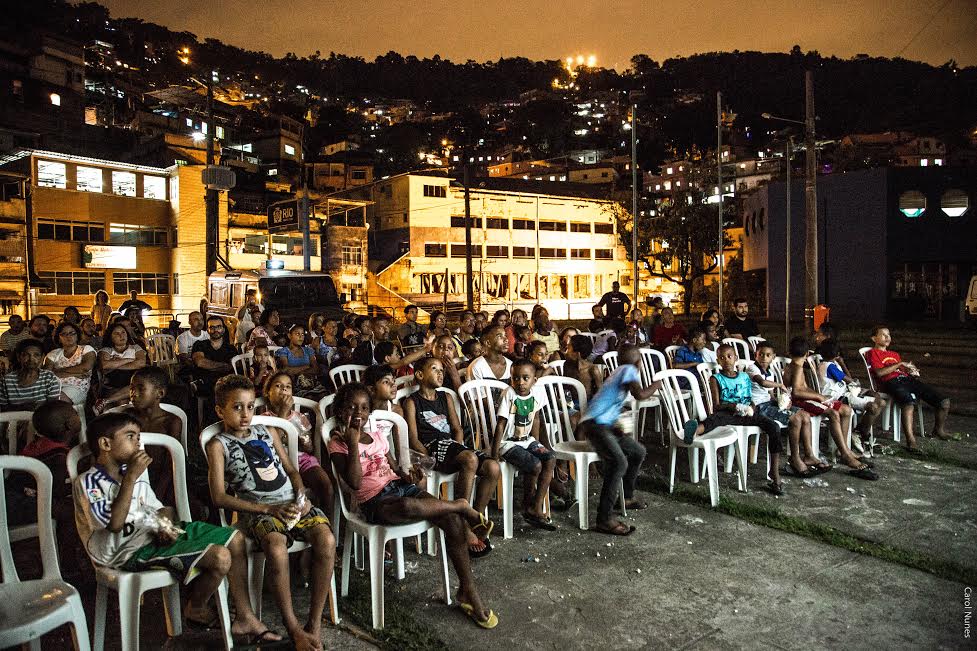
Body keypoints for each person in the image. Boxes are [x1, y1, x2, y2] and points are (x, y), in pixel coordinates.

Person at [76, 412, 279, 642]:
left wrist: (165, 524)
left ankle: (245, 617)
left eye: (139, 437)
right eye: (131, 436)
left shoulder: (133, 473)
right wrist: (131, 478)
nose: (138, 443)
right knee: (220, 557)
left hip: (152, 536)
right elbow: (115, 525)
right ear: (105, 443)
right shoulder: (89, 482)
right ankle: (196, 607)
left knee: (234, 538)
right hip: (126, 551)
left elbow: (161, 509)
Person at [328, 382, 498, 628]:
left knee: (451, 520)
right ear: (340, 411)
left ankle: (468, 591)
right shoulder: (338, 442)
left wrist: (409, 475)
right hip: (377, 501)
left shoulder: (376, 436)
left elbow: (395, 468)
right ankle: (461, 504)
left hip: (400, 487)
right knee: (409, 506)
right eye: (352, 407)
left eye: (364, 408)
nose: (358, 413)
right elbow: (354, 482)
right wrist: (353, 443)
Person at [206, 376, 334, 650]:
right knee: (276, 548)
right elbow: (218, 497)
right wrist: (267, 508)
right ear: (220, 411)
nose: (245, 415)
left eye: (250, 407)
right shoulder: (218, 445)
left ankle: (314, 624)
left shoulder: (267, 432)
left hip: (291, 503)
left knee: (327, 540)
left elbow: (292, 472)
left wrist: (300, 497)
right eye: (237, 407)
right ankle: (293, 627)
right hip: (259, 511)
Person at [403, 357, 501, 547]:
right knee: (470, 459)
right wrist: (428, 458)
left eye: (442, 370)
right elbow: (413, 438)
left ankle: (475, 519)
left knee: (492, 467)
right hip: (433, 448)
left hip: (452, 447)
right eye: (434, 369)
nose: (441, 373)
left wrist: (458, 450)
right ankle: (462, 523)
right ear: (420, 375)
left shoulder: (446, 397)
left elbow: (457, 429)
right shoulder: (412, 402)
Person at [683, 344, 785, 495]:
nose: (726, 360)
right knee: (714, 419)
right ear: (718, 361)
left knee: (773, 427)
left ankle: (774, 473)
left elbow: (750, 398)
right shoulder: (716, 378)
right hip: (728, 413)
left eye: (730, 356)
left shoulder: (744, 377)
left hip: (747, 414)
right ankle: (692, 432)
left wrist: (750, 408)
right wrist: (733, 406)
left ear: (736, 358)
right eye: (722, 357)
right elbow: (716, 406)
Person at [574, 345, 654, 535]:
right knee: (618, 463)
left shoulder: (619, 371)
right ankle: (604, 518)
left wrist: (616, 424)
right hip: (595, 425)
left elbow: (609, 401)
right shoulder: (628, 370)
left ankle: (626, 497)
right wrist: (656, 385)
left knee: (638, 451)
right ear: (638, 362)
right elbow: (640, 395)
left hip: (605, 425)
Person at [784, 337, 877, 479]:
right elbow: (797, 392)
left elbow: (803, 387)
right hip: (799, 402)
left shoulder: (795, 365)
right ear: (807, 354)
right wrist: (818, 397)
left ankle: (844, 450)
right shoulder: (797, 367)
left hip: (805, 398)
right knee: (833, 414)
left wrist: (817, 395)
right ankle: (845, 455)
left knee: (846, 410)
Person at [491, 359, 556, 530]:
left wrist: (537, 443)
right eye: (516, 378)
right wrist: (494, 452)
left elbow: (536, 419)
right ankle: (528, 503)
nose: (520, 382)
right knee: (535, 465)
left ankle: (536, 505)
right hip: (508, 444)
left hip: (527, 441)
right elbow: (500, 425)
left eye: (525, 378)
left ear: (534, 380)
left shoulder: (538, 393)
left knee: (549, 458)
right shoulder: (509, 394)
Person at [746, 342, 823, 476]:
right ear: (755, 355)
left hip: (768, 404)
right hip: (758, 407)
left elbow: (769, 395)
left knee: (804, 415)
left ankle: (809, 455)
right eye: (761, 354)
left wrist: (782, 402)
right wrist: (779, 385)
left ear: (773, 357)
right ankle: (795, 458)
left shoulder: (769, 372)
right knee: (795, 419)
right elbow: (762, 382)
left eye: (768, 355)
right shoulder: (752, 368)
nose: (764, 357)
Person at [262, 371, 334, 515]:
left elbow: (310, 448)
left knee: (326, 485)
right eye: (278, 386)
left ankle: (326, 520)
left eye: (288, 387)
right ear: (268, 393)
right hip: (276, 464)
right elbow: (270, 446)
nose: (283, 389)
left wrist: (305, 443)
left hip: (302, 460)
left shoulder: (300, 417)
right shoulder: (263, 419)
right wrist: (282, 413)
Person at [866, 325, 951, 448]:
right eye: (883, 335)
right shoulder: (873, 353)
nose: (887, 337)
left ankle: (938, 430)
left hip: (906, 380)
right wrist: (899, 364)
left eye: (888, 334)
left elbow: (902, 371)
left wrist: (912, 372)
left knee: (944, 402)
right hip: (890, 382)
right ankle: (911, 441)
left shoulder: (894, 354)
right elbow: (880, 373)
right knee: (908, 402)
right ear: (874, 338)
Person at [122, 366, 183, 504]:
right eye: (131, 388)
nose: (134, 393)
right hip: (132, 476)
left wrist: (156, 496)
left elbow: (171, 462)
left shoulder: (171, 421)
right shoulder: (127, 416)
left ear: (159, 393)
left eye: (141, 388)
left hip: (162, 478)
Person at [817, 338, 886, 451]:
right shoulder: (829, 366)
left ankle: (859, 431)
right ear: (837, 354)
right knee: (873, 406)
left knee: (881, 402)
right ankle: (860, 433)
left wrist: (842, 364)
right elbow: (850, 380)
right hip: (840, 398)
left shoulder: (832, 364)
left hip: (846, 394)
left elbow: (848, 378)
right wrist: (856, 384)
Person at [1, 339, 64, 410]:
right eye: (26, 355)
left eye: (36, 355)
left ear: (42, 357)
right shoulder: (7, 380)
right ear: (19, 357)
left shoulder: (49, 378)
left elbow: (53, 407)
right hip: (14, 420)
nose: (31, 359)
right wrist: (23, 407)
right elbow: (3, 408)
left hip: (42, 419)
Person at [44, 321, 96, 405]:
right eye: (64, 334)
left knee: (57, 399)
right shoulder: (53, 353)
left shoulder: (86, 349)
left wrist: (57, 371)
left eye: (72, 333)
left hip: (76, 388)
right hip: (53, 387)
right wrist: (75, 373)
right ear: (59, 338)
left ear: (77, 335)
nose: (68, 336)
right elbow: (47, 375)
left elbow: (85, 367)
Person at [98, 323, 147, 407]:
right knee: (122, 402)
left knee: (138, 384)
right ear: (111, 337)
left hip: (134, 379)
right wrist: (130, 360)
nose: (121, 335)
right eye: (117, 333)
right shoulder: (106, 350)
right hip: (115, 383)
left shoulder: (135, 347)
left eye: (123, 332)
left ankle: (105, 401)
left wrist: (115, 364)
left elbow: (141, 363)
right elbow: (105, 365)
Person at [191, 316, 237, 398]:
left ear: (223, 329)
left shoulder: (231, 348)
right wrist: (223, 366)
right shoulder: (199, 344)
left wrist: (209, 366)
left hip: (226, 383)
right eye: (212, 327)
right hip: (205, 382)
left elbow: (232, 367)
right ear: (207, 330)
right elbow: (200, 362)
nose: (215, 330)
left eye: (218, 327)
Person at [274, 324, 320, 390]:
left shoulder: (308, 350)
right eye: (297, 334)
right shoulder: (284, 351)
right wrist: (307, 366)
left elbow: (316, 369)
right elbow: (287, 370)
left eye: (302, 334)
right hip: (293, 384)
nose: (301, 337)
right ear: (289, 336)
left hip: (311, 382)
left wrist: (301, 373)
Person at [564, 334, 603, 401]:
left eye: (569, 347)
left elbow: (600, 393)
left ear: (577, 354)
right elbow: (564, 387)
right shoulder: (567, 365)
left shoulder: (592, 369)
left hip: (588, 404)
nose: (566, 349)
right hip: (571, 404)